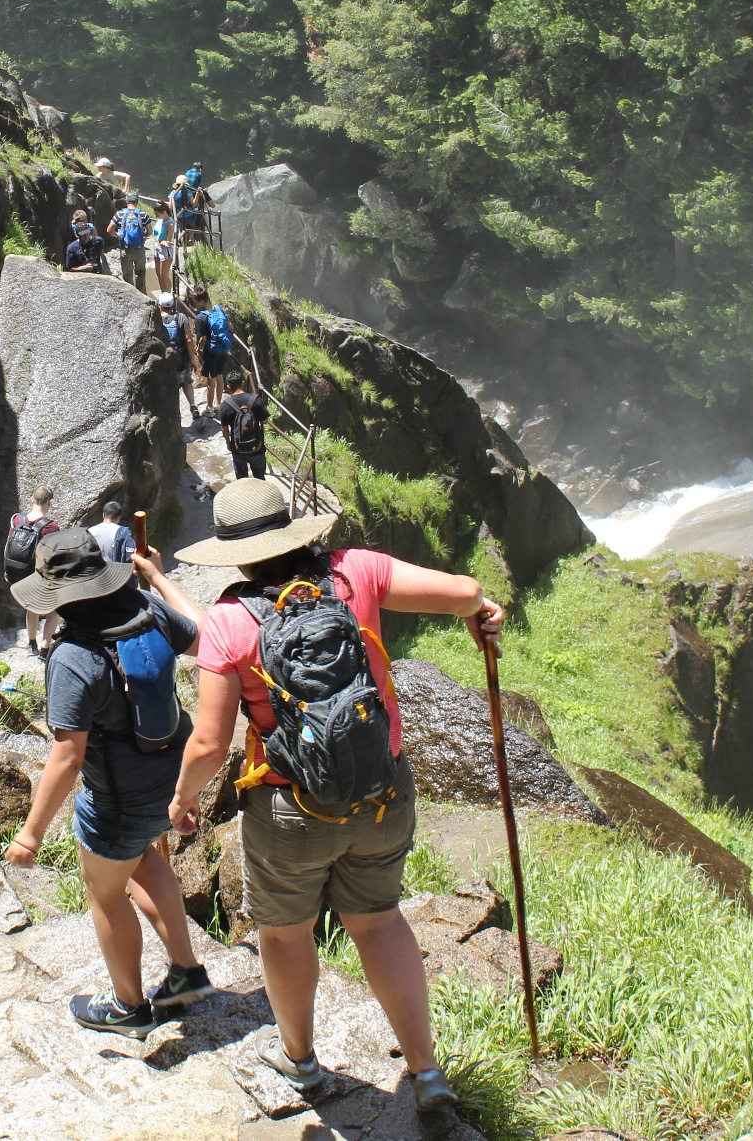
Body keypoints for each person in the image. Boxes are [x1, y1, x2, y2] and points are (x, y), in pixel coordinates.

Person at [167, 478, 504, 1121]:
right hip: (382, 791)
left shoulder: (232, 621)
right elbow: (465, 592)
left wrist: (183, 801)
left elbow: (210, 742)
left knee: (286, 935)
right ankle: (426, 1073)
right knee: (378, 921)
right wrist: (482, 614)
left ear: (234, 555)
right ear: (295, 529)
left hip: (290, 808)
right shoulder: (358, 573)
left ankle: (300, 1061)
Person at [6, 528, 214, 1038]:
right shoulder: (146, 609)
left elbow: (67, 755)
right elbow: (207, 638)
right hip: (173, 780)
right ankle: (186, 973)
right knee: (145, 858)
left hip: (119, 801)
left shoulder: (74, 656)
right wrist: (158, 579)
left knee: (105, 893)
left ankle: (127, 1006)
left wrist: (30, 834)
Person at [4, 486, 61, 655]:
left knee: (31, 607)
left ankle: (31, 643)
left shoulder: (16, 520)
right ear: (50, 503)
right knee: (55, 610)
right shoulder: (51, 527)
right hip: (39, 576)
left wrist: (7, 570)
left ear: (31, 499)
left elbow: (8, 546)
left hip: (19, 574)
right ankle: (45, 648)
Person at [216, 371, 270, 480]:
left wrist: (228, 444)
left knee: (241, 480)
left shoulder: (225, 405)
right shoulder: (255, 399)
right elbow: (265, 421)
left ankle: (244, 496)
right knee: (259, 477)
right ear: (243, 383)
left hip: (238, 448)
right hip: (257, 447)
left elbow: (224, 429)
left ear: (228, 386)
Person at [190, 292, 234, 415]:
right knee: (219, 376)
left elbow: (203, 339)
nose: (195, 305)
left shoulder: (201, 317)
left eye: (196, 302)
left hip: (211, 352)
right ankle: (218, 405)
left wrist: (198, 349)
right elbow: (229, 326)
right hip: (223, 349)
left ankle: (209, 409)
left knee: (210, 381)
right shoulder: (218, 309)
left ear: (202, 301)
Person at [157, 292, 198, 420]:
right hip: (181, 358)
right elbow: (189, 340)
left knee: (170, 386)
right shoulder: (181, 317)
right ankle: (193, 405)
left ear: (159, 305)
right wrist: (192, 359)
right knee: (186, 381)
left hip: (164, 360)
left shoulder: (156, 319)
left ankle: (173, 414)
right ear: (173, 304)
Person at [110, 195, 149, 292]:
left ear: (126, 202)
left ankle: (131, 295)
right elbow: (150, 231)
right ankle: (142, 295)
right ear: (137, 202)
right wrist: (142, 237)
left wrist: (118, 236)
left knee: (127, 274)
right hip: (139, 249)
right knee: (140, 273)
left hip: (125, 249)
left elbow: (109, 229)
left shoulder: (119, 214)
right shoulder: (143, 214)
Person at [150, 211, 178, 299]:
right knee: (158, 274)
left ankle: (168, 296)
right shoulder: (159, 220)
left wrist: (165, 241)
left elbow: (169, 240)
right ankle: (163, 294)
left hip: (165, 250)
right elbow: (155, 233)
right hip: (157, 247)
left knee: (164, 275)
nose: (156, 215)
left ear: (164, 212)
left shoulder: (170, 224)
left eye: (158, 213)